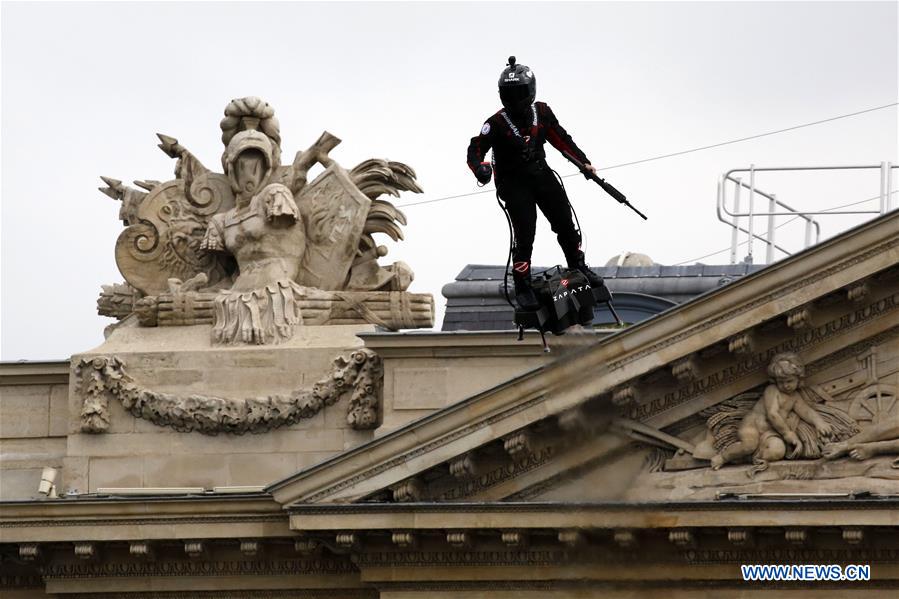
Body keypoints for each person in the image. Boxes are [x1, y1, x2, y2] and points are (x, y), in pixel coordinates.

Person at [467, 56, 603, 309]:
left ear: (530, 91)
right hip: (513, 184)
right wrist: (480, 169)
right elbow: (475, 149)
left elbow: (561, 139)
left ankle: (578, 265)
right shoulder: (494, 123)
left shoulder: (542, 112)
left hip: (541, 175)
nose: (515, 98)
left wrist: (583, 163)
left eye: (520, 92)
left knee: (565, 220)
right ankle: (522, 284)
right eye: (510, 93)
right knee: (525, 232)